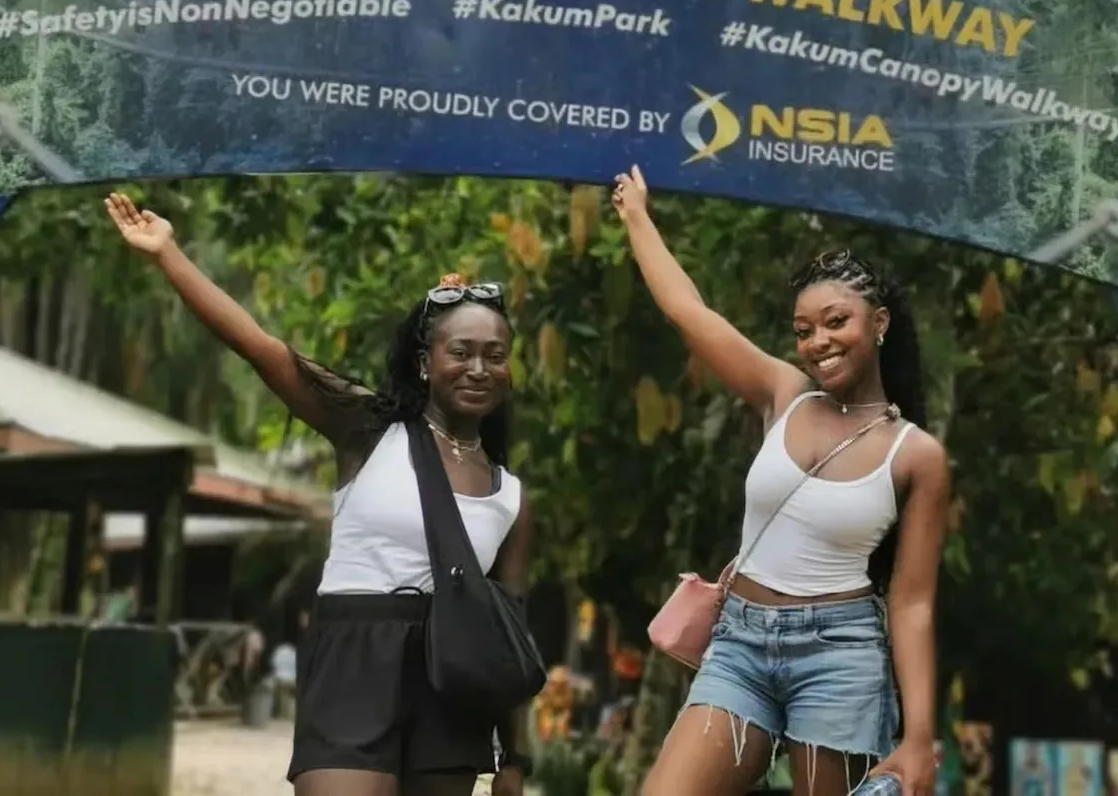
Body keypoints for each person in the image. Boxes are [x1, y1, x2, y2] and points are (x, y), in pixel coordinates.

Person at [104, 192, 533, 796]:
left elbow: (509, 629)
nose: (478, 368)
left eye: (495, 356)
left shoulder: (510, 494)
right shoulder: (367, 428)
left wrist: (514, 757)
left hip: (451, 684)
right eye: (459, 352)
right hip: (355, 651)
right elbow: (259, 346)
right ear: (424, 361)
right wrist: (168, 253)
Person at [610, 167, 950, 796]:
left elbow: (912, 601)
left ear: (878, 324)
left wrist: (921, 737)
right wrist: (637, 217)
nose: (818, 342)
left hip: (840, 659)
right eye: (803, 330)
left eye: (835, 322)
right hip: (739, 647)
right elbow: (688, 310)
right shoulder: (785, 395)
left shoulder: (916, 455)